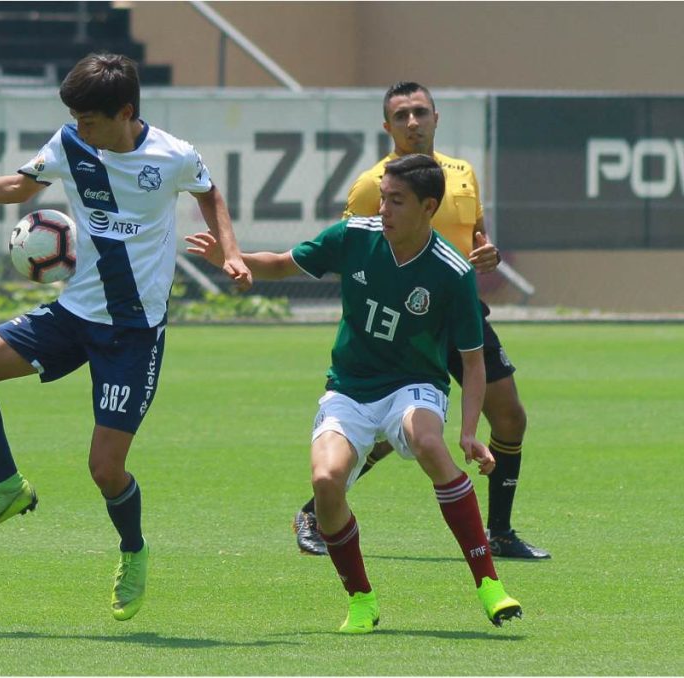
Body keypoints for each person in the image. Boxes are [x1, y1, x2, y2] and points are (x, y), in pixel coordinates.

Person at [0, 53, 252, 622]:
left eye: (88, 119)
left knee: (104, 469)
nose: (78, 128)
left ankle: (133, 550)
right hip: (72, 316)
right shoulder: (72, 144)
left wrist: (232, 253)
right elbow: (19, 188)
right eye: (73, 118)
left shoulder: (172, 155)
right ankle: (8, 486)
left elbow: (208, 193)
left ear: (126, 112)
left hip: (133, 335)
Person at [187, 153, 522, 632]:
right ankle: (361, 598)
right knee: (325, 483)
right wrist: (231, 259)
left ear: (429, 207)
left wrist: (469, 433)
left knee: (428, 442)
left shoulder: (453, 272)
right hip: (348, 387)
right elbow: (282, 265)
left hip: (415, 385)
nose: (383, 209)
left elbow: (472, 362)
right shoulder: (354, 237)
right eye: (383, 198)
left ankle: (490, 586)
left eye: (397, 201)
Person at [292, 81, 549, 560]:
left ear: (436, 118)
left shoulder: (462, 172)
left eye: (421, 113)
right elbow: (354, 246)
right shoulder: (374, 182)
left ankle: (500, 532)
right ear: (387, 126)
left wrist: (484, 251)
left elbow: (475, 236)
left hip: (458, 312)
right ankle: (315, 509)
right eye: (402, 115)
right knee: (392, 431)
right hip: (405, 326)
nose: (413, 123)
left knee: (510, 415)